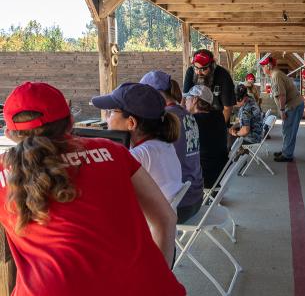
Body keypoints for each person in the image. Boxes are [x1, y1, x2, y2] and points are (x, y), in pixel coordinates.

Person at [0, 82, 185, 295]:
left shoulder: (4, 170)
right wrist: (157, 276)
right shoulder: (114, 151)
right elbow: (166, 218)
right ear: (70, 121)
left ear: (10, 134)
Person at [91, 83, 184, 205]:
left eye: (111, 111)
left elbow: (104, 194)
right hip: (160, 220)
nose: (106, 118)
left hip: (145, 222)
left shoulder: (137, 156)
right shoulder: (164, 145)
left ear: (131, 122)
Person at [140, 70, 204, 224]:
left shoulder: (164, 119)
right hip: (195, 197)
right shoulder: (186, 114)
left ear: (155, 94)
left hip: (178, 206)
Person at [260, 55, 304, 162]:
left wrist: (282, 110)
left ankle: (287, 155)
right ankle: (286, 150)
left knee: (289, 130)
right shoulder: (276, 74)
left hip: (293, 106)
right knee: (286, 129)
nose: (262, 69)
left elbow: (282, 95)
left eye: (263, 66)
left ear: (269, 66)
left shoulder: (276, 76)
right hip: (293, 104)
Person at [184, 85, 228, 189]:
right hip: (221, 173)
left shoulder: (192, 121)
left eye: (187, 98)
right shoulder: (218, 115)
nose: (185, 101)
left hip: (204, 177)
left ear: (194, 100)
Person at [183, 49, 236, 123]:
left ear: (212, 66)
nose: (199, 72)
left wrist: (220, 128)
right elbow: (184, 98)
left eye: (203, 69)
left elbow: (227, 108)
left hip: (217, 117)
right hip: (195, 118)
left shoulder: (223, 76)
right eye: (196, 68)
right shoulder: (191, 71)